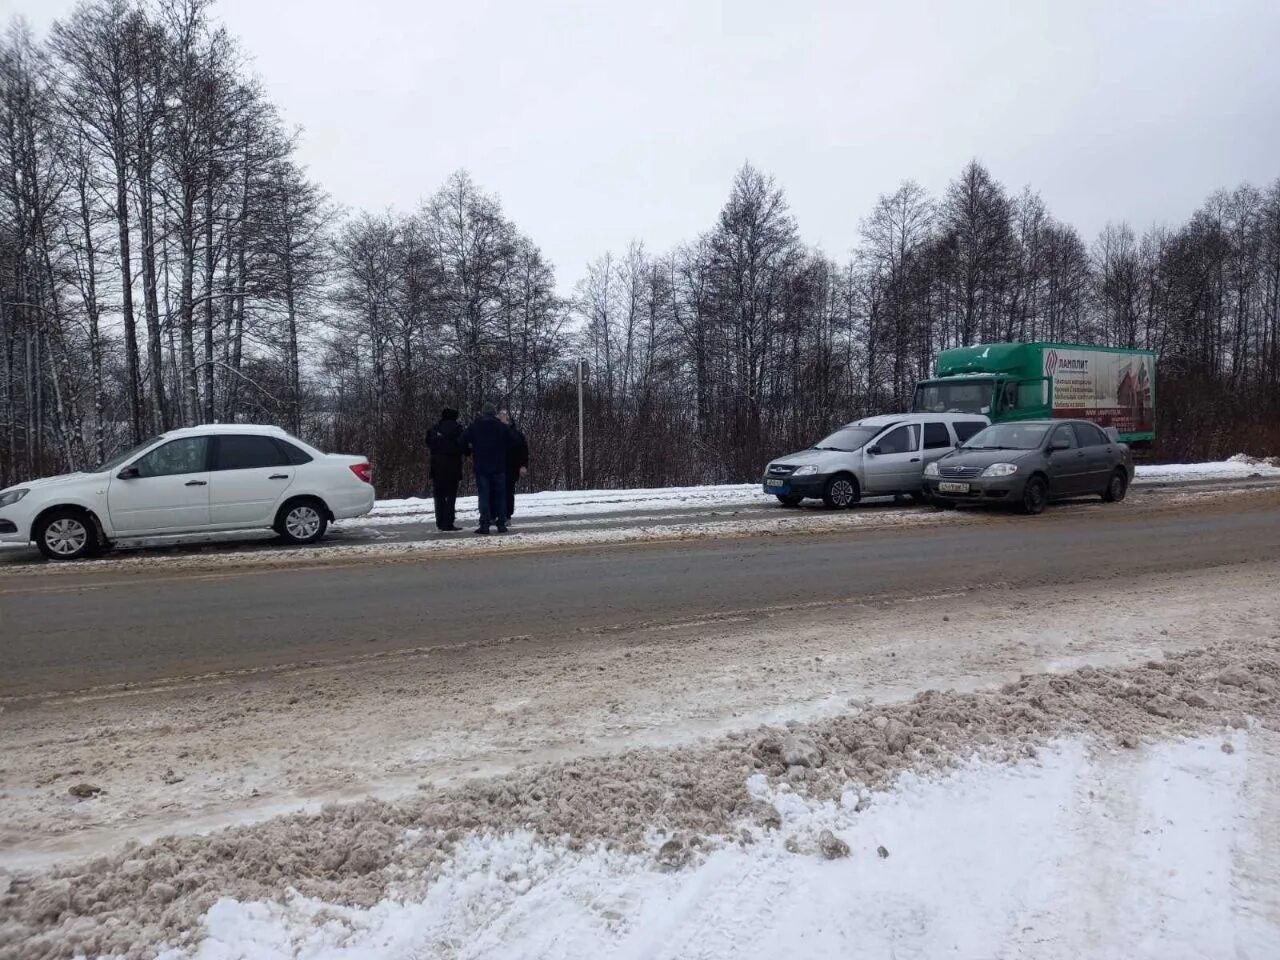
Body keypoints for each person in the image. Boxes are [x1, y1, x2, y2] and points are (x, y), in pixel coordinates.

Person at [460, 402, 513, 535]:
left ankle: (485, 524)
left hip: (481, 465)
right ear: (494, 412)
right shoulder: (500, 426)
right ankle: (501, 524)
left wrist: (469, 451)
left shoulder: (475, 426)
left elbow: (461, 440)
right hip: (499, 465)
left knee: (484, 495)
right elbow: (513, 441)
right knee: (500, 495)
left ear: (483, 412)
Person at [426, 407, 465, 531]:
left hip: (437, 466)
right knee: (451, 495)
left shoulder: (434, 429)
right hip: (453, 466)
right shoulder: (458, 429)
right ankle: (449, 522)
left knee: (439, 495)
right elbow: (463, 446)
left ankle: (440, 521)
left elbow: (428, 443)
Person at [498, 410, 529, 521]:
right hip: (497, 466)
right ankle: (498, 515)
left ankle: (507, 515)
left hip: (511, 467)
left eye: (505, 417)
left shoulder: (516, 434)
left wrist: (523, 465)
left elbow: (523, 451)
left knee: (508, 492)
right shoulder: (495, 432)